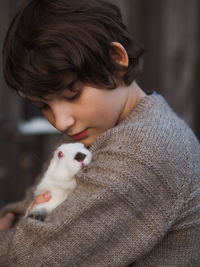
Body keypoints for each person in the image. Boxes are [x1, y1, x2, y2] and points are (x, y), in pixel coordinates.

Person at [0, 0, 200, 266]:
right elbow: (31, 203)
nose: (60, 121)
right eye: (43, 106)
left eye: (73, 94)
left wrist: (13, 235)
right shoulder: (98, 131)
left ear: (116, 61)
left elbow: (33, 257)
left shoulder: (144, 149)